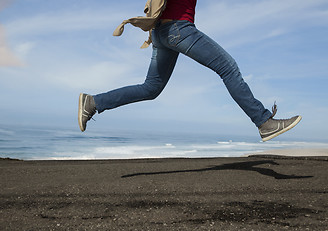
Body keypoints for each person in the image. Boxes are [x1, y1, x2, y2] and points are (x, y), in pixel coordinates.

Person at [78, 0, 301, 142]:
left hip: (162, 32)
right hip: (178, 29)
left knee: (151, 87)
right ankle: (264, 122)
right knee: (228, 68)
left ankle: (94, 102)